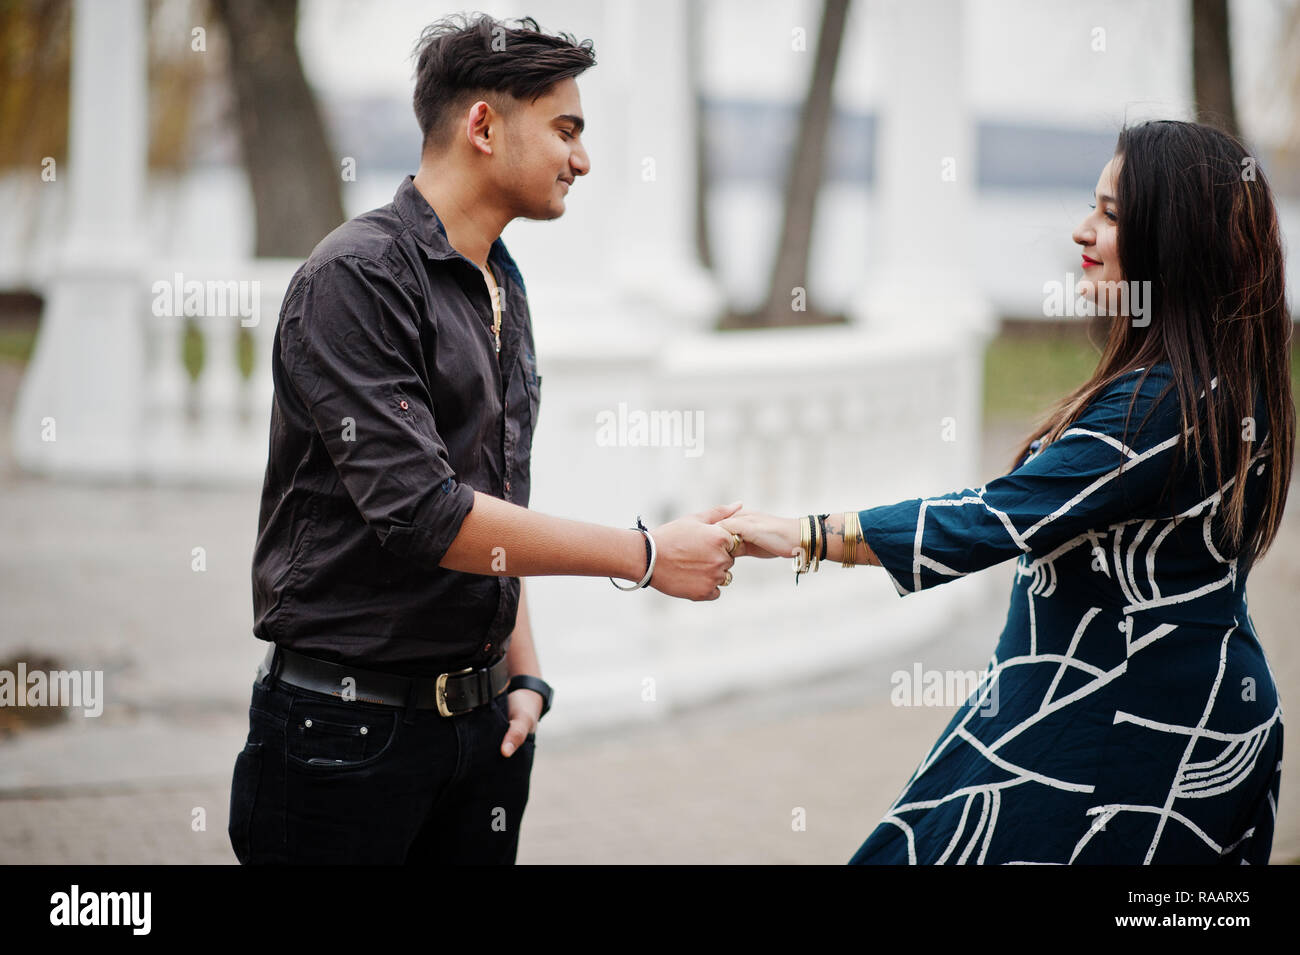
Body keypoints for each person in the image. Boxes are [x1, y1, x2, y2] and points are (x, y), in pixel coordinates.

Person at [228, 14, 745, 865]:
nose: (582, 159)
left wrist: (524, 675)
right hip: (343, 740)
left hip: (482, 737)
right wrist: (646, 555)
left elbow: (492, 495)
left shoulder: (500, 278)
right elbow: (428, 515)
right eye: (566, 130)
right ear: (482, 126)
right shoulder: (355, 279)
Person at [723, 120, 1293, 864]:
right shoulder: (1212, 382)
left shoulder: (1164, 406)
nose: (1083, 231)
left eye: (1114, 214)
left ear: (1173, 236)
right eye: (1094, 205)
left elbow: (996, 516)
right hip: (1121, 702)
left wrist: (803, 533)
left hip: (1134, 728)